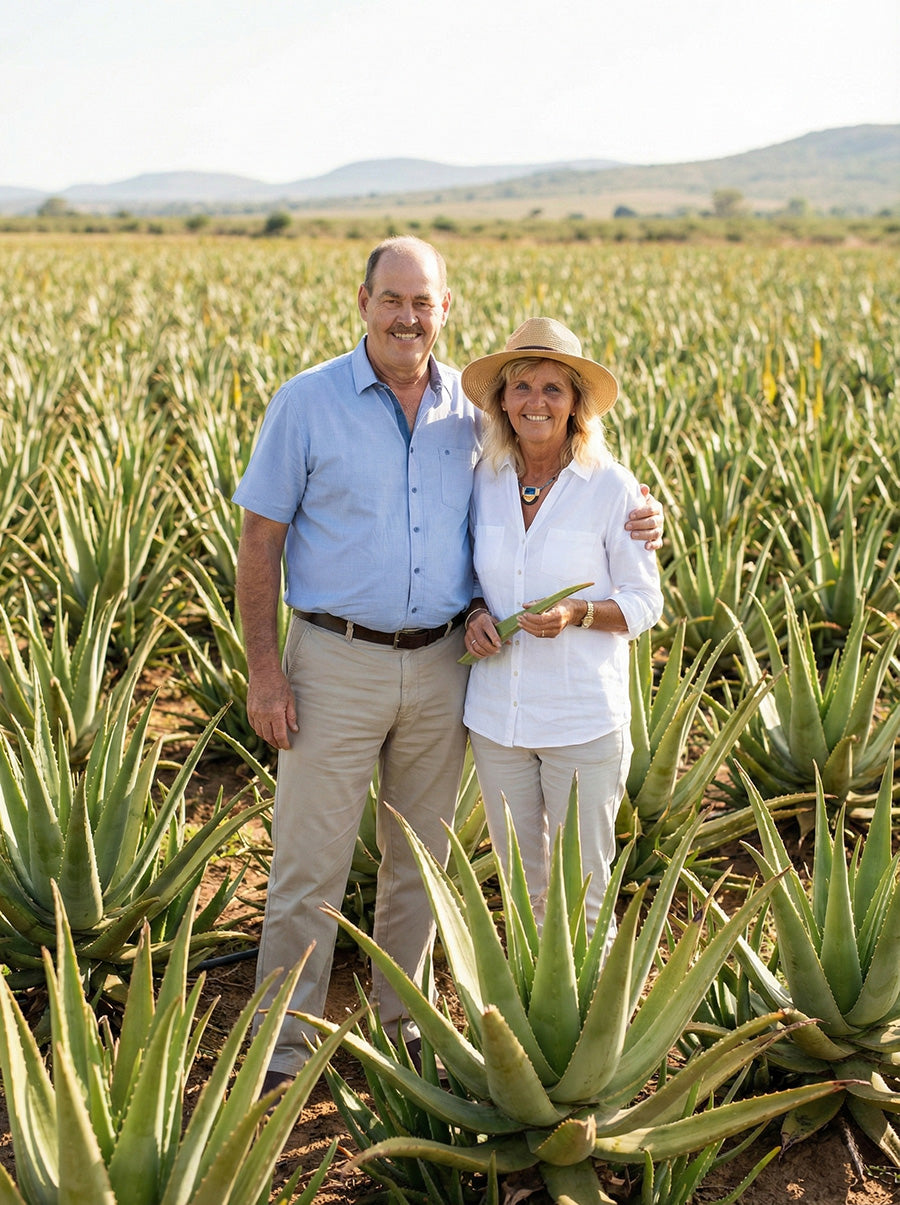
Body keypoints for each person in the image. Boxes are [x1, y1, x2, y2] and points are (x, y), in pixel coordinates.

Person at [232, 238, 663, 1091]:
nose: (407, 318)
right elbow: (259, 539)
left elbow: (577, 482)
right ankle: (284, 1055)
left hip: (441, 669)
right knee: (307, 864)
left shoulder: (473, 420)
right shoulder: (307, 402)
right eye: (392, 299)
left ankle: (404, 1034)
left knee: (420, 864)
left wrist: (649, 510)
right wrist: (264, 672)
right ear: (363, 301)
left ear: (445, 309)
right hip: (332, 661)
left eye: (422, 303)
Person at [460, 317, 663, 934]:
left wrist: (578, 613)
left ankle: (595, 1026)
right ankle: (530, 1020)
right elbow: (467, 573)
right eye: (522, 387)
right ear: (503, 400)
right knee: (522, 884)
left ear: (575, 404)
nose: (536, 402)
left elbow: (644, 603)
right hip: (499, 719)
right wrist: (473, 613)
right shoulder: (483, 479)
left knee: (585, 888)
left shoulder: (612, 487)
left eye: (554, 388)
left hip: (581, 719)